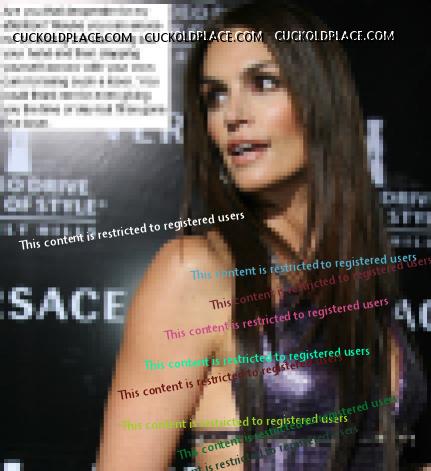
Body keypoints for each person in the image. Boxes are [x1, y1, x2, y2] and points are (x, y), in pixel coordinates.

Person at [97, 2, 425, 469]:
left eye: (263, 83)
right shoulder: (196, 272)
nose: (233, 115)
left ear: (320, 98)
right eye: (216, 96)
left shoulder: (364, 279)